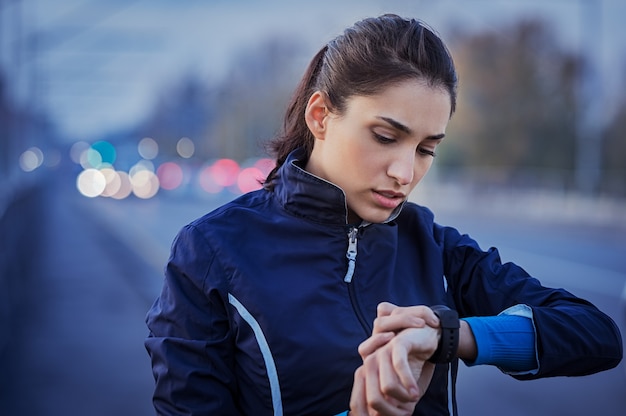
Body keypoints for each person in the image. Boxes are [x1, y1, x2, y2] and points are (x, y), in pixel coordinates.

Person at [144, 14, 622, 416]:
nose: (405, 172)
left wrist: (451, 336)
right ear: (320, 116)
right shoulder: (211, 250)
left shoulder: (432, 243)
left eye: (426, 149)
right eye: (386, 137)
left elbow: (597, 335)